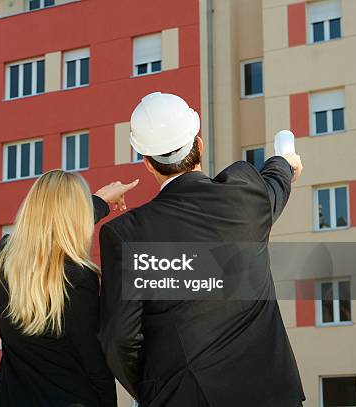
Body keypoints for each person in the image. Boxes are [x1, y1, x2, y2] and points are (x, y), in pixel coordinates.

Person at [98, 92, 306, 407]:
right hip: (273, 395)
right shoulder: (247, 197)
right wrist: (286, 162)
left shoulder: (128, 234)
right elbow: (275, 181)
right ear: (199, 144)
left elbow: (119, 339)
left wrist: (160, 390)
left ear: (146, 162)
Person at [0, 170, 138, 407]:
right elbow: (94, 363)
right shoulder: (79, 277)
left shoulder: (4, 257)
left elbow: (47, 229)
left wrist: (99, 201)